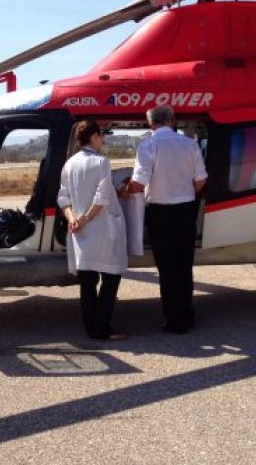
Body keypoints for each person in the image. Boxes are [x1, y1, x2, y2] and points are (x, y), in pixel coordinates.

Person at [122, 105, 207, 333]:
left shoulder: (148, 146)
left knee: (167, 268)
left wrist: (125, 189)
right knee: (184, 265)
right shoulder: (190, 144)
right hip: (186, 210)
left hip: (160, 213)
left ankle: (174, 319)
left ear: (151, 124)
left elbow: (139, 183)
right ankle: (187, 315)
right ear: (172, 120)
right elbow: (201, 180)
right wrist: (185, 192)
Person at [58, 120, 128, 340]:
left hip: (79, 232)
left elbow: (63, 197)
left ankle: (91, 327)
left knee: (87, 281)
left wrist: (73, 219)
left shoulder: (69, 164)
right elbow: (102, 197)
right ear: (94, 137)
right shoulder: (101, 162)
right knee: (111, 277)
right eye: (101, 136)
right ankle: (102, 327)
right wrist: (85, 219)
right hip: (101, 229)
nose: (103, 141)